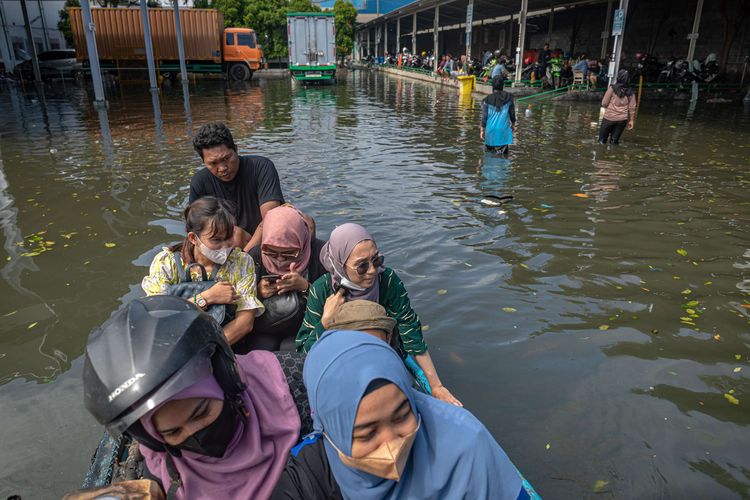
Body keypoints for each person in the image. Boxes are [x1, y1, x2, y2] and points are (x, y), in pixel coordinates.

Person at [82, 296, 313, 500]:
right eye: (172, 432)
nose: (196, 436)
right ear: (152, 439)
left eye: (201, 412)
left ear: (227, 379)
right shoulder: (160, 471)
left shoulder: (297, 382)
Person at [276, 330, 537, 500]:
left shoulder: (467, 444)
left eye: (402, 417)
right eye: (368, 432)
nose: (393, 445)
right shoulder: (308, 472)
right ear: (330, 430)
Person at [295, 223, 462, 406]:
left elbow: (410, 331)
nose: (372, 271)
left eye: (376, 260)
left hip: (385, 352)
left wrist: (436, 385)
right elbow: (303, 350)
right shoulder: (322, 290)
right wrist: (325, 323)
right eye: (361, 266)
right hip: (340, 362)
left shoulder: (387, 280)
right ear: (339, 265)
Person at [142, 196, 264, 347]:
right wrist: (206, 298)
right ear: (193, 238)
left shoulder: (241, 262)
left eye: (229, 237)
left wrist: (205, 348)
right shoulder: (166, 263)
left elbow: (245, 322)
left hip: (222, 343)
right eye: (216, 240)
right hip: (172, 344)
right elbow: (157, 314)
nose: (225, 246)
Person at [239, 204, 326, 352]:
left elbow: (335, 302)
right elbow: (237, 302)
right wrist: (257, 292)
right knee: (260, 350)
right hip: (266, 326)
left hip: (305, 326)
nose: (279, 259)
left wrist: (306, 287)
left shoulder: (320, 255)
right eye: (272, 252)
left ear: (303, 244)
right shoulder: (255, 256)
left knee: (291, 350)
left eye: (289, 253)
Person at [189, 122, 285, 251]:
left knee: (306, 222)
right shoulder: (199, 182)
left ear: (235, 149)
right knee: (236, 234)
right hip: (225, 243)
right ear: (204, 162)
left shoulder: (261, 167)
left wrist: (244, 257)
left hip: (264, 238)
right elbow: (196, 230)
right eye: (213, 163)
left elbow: (270, 218)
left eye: (227, 158)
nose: (222, 168)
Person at [599, 69, 636, 145]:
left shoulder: (612, 88)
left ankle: (601, 155)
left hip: (609, 118)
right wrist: (631, 120)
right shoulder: (631, 92)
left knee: (601, 141)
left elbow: (604, 103)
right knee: (614, 142)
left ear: (618, 77)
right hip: (622, 120)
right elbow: (632, 108)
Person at [480, 75, 516, 155]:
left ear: (492, 86)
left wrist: (482, 130)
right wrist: (513, 125)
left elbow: (484, 117)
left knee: (488, 159)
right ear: (502, 86)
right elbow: (512, 114)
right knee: (503, 160)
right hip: (503, 133)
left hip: (490, 132)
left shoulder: (487, 100)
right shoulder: (509, 98)